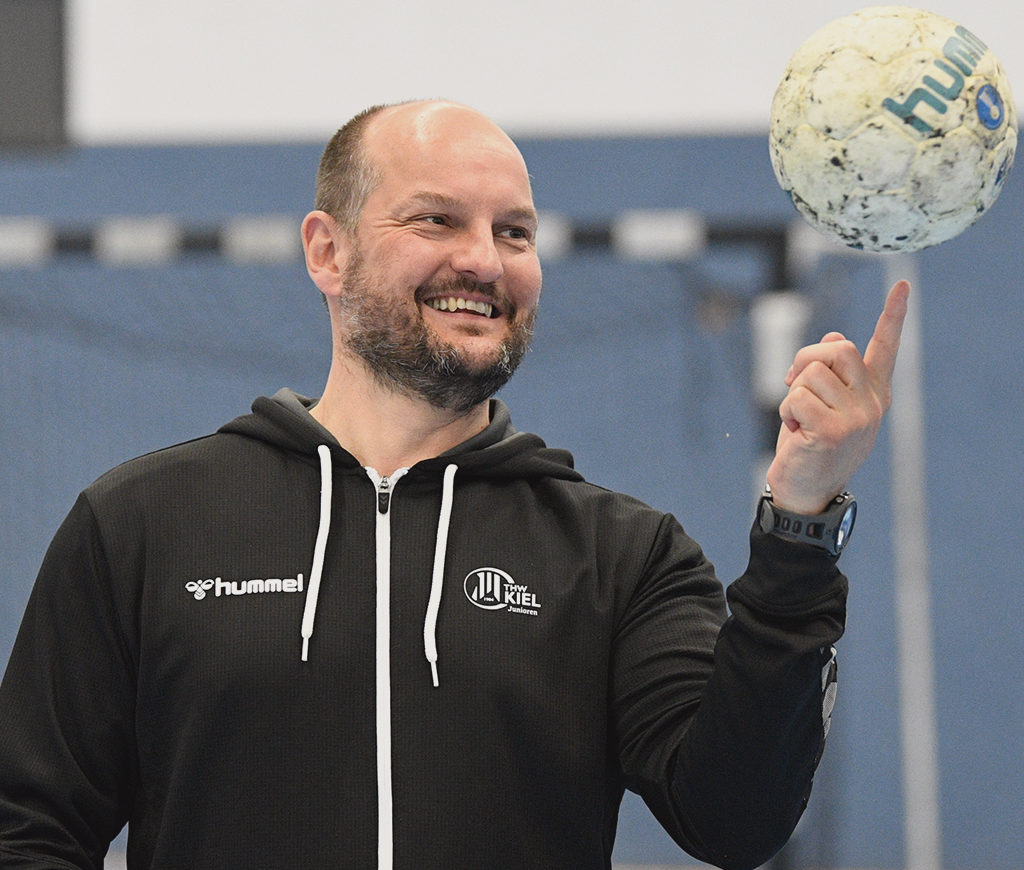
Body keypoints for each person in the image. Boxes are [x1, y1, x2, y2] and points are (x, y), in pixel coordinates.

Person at [0, 99, 908, 870]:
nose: (485, 260)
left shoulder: (624, 557)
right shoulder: (144, 525)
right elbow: (28, 828)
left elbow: (736, 819)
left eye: (514, 232)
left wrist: (799, 523)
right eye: (436, 220)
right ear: (328, 251)